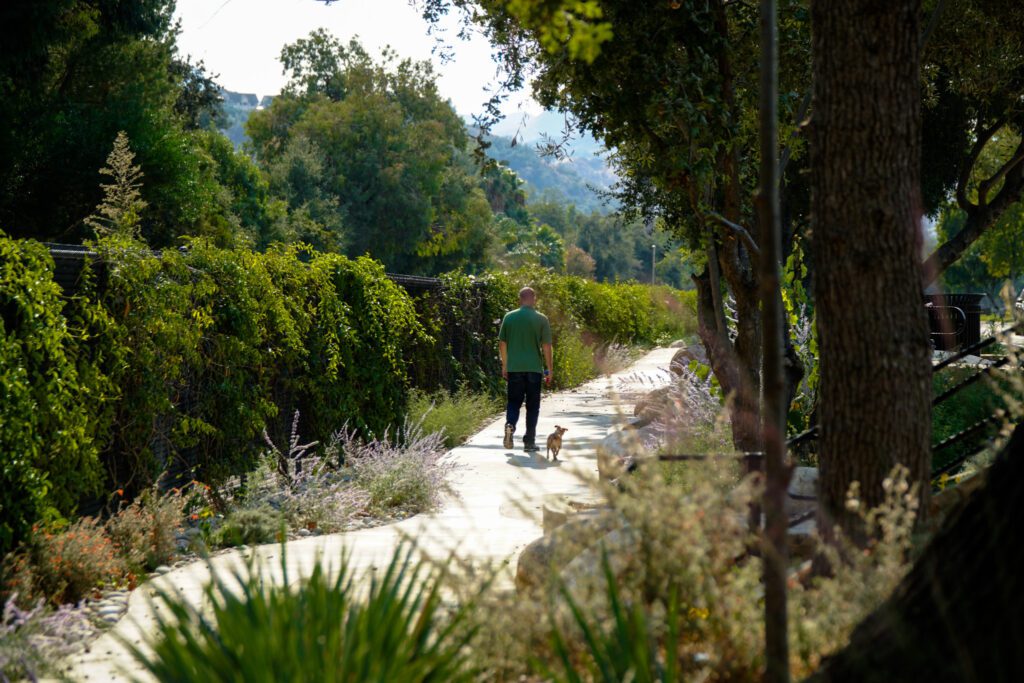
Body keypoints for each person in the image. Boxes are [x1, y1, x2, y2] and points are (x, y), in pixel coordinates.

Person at [498, 286, 553, 451]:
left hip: (514, 368)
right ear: (534, 299)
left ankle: (510, 425)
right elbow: (547, 346)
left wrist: (505, 365)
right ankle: (529, 442)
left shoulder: (509, 317)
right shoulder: (542, 319)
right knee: (532, 406)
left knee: (514, 402)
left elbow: (502, 343)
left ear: (520, 299)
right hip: (534, 369)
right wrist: (549, 369)